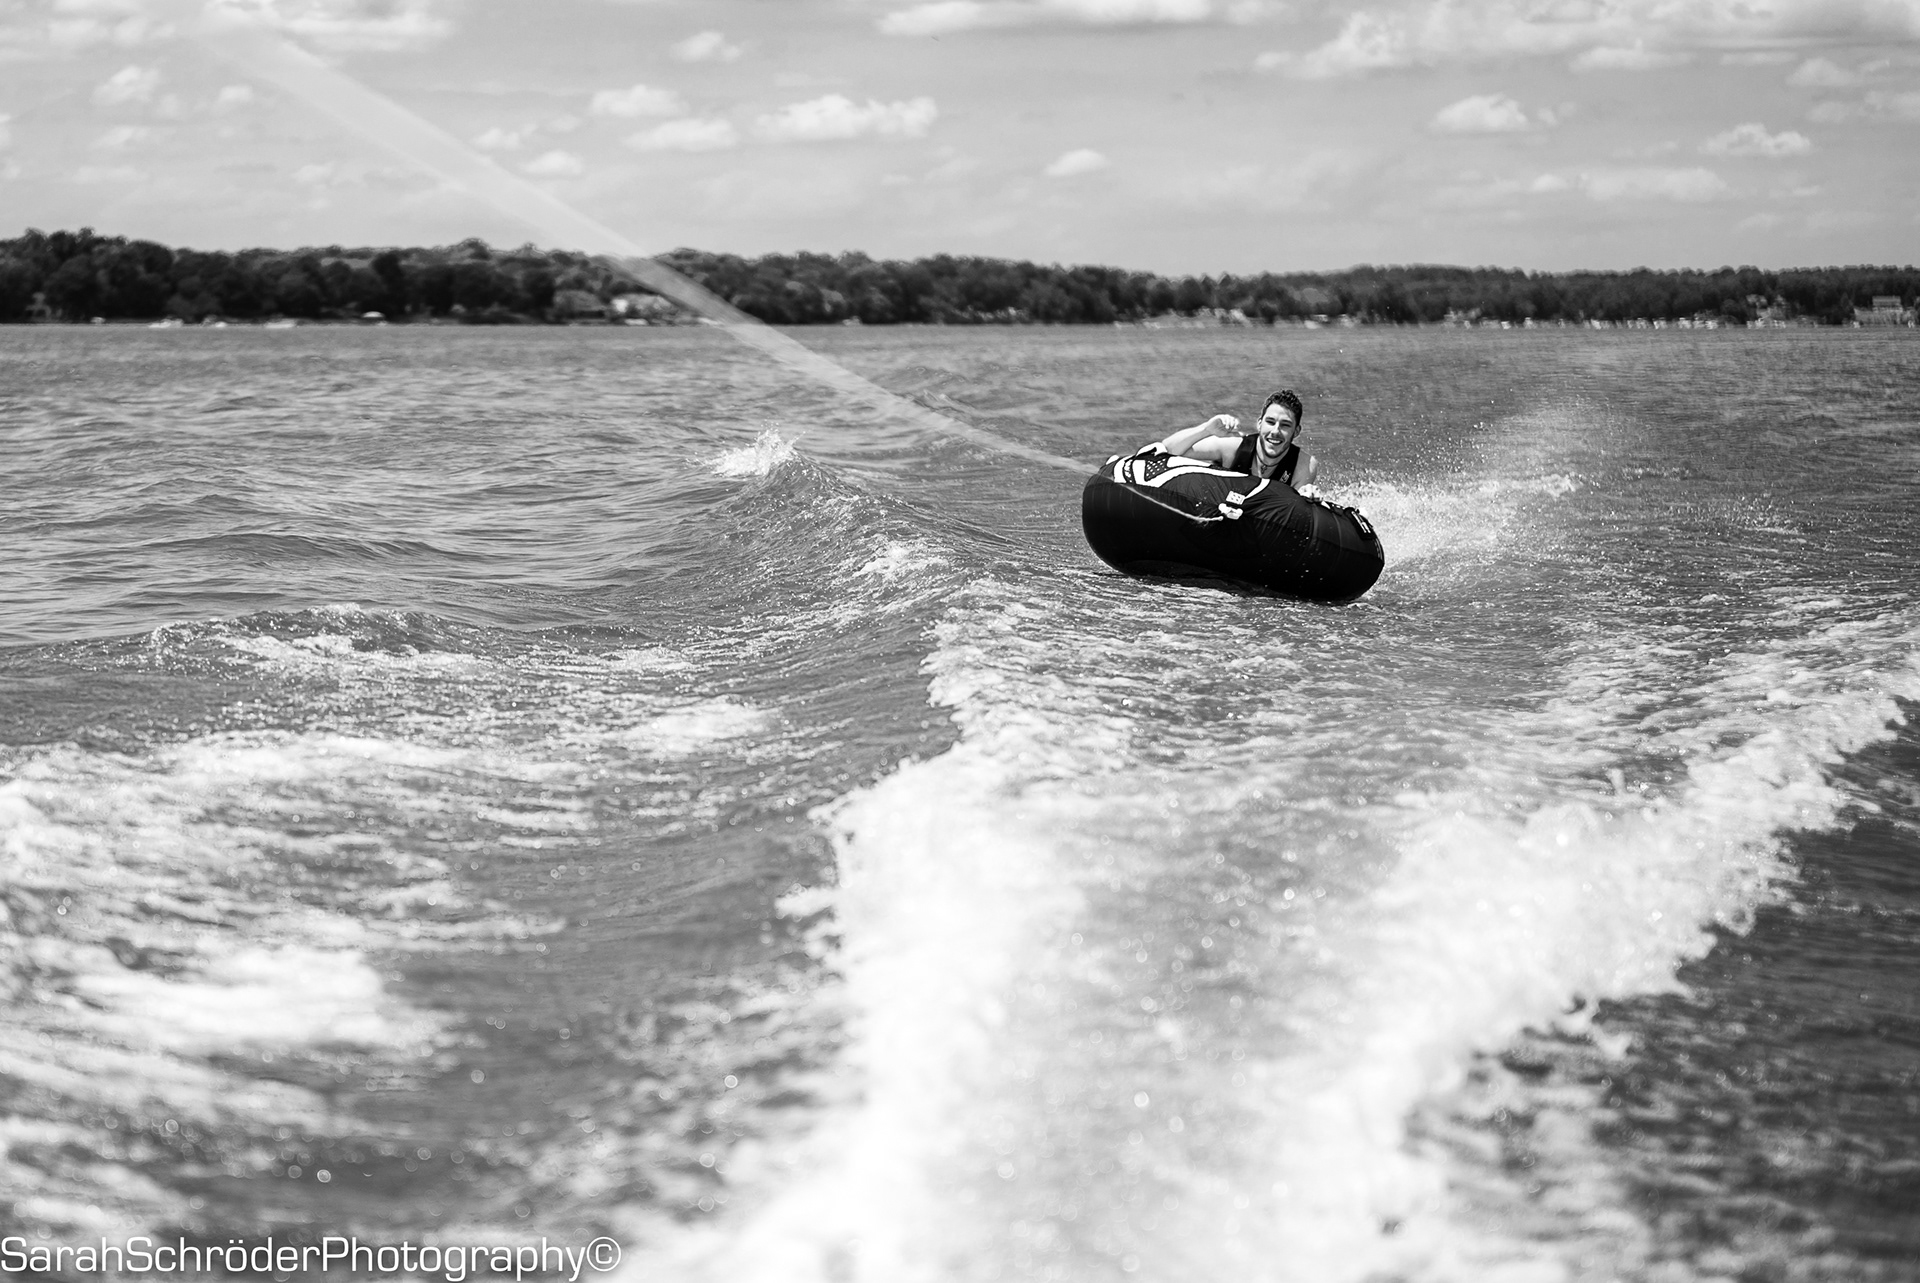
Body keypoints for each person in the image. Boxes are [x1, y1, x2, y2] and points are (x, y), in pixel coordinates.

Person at [1154, 389, 1319, 490]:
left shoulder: (1304, 465)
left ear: (1296, 431)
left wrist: (1308, 495)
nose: (1275, 431)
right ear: (1259, 424)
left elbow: (1299, 509)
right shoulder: (1232, 447)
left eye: (1285, 425)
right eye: (1270, 422)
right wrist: (1205, 430)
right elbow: (1166, 451)